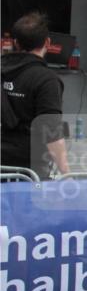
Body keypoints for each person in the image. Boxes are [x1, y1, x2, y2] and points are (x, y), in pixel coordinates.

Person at [0, 12, 70, 180]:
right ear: (48, 42)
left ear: (15, 43)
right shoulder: (46, 80)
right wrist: (67, 175)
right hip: (28, 174)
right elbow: (51, 131)